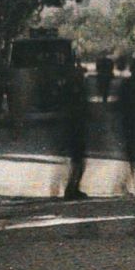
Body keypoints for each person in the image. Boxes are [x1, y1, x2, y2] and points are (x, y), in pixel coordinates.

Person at [60, 72, 93, 200]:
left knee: (78, 162)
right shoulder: (76, 94)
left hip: (74, 128)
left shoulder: (70, 93)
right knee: (78, 161)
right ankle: (71, 189)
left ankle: (73, 188)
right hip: (76, 129)